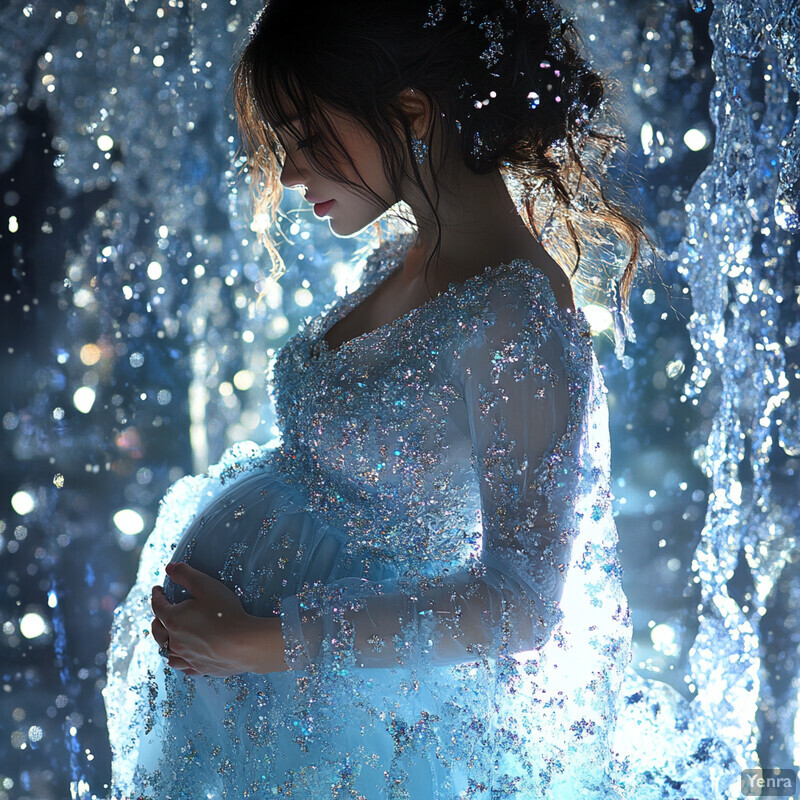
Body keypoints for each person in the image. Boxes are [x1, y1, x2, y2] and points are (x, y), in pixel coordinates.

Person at [103, 0, 659, 796]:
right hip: (268, 709)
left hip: (347, 730)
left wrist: (260, 644)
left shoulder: (518, 320)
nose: (290, 172)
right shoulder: (404, 256)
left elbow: (521, 605)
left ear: (410, 112)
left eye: (305, 135)